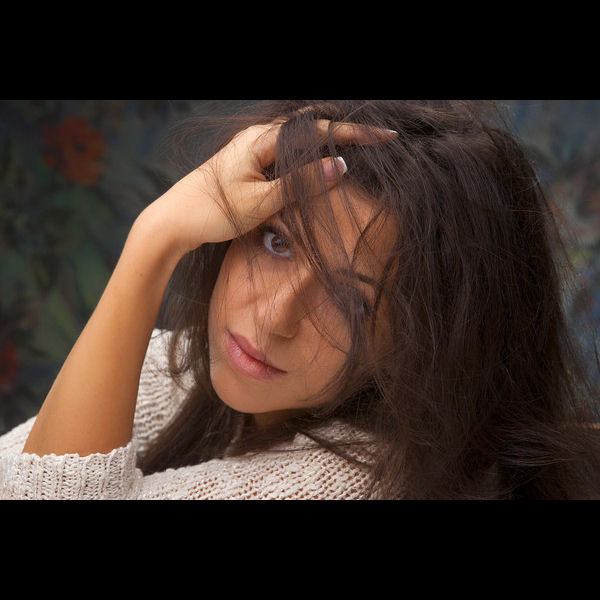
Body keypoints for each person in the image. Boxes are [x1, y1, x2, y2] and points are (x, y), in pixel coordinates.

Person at [1, 99, 599, 500]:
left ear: (422, 343)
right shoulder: (182, 364)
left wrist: (152, 241)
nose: (273, 318)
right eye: (277, 241)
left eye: (350, 300)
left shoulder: (353, 479)